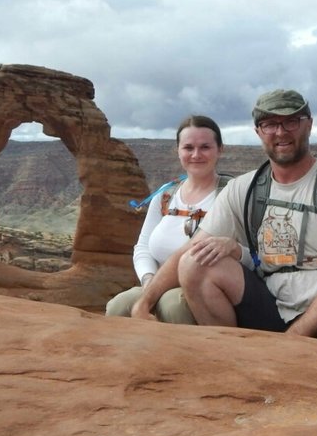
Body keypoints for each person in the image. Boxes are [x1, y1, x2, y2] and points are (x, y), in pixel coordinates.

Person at [133, 89, 317, 351]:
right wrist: (145, 301)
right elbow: (188, 251)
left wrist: (291, 340)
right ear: (258, 131)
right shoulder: (244, 188)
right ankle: (232, 357)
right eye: (270, 124)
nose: (280, 132)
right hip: (271, 303)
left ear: (308, 125)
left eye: (291, 121)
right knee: (194, 262)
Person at [105, 115, 250, 323]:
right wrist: (148, 281)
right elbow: (143, 247)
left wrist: (233, 248)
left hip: (206, 290)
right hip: (157, 285)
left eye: (205, 147)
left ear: (220, 149)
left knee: (173, 306)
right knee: (118, 306)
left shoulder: (233, 194)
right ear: (178, 151)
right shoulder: (166, 195)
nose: (196, 155)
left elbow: (255, 256)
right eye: (188, 148)